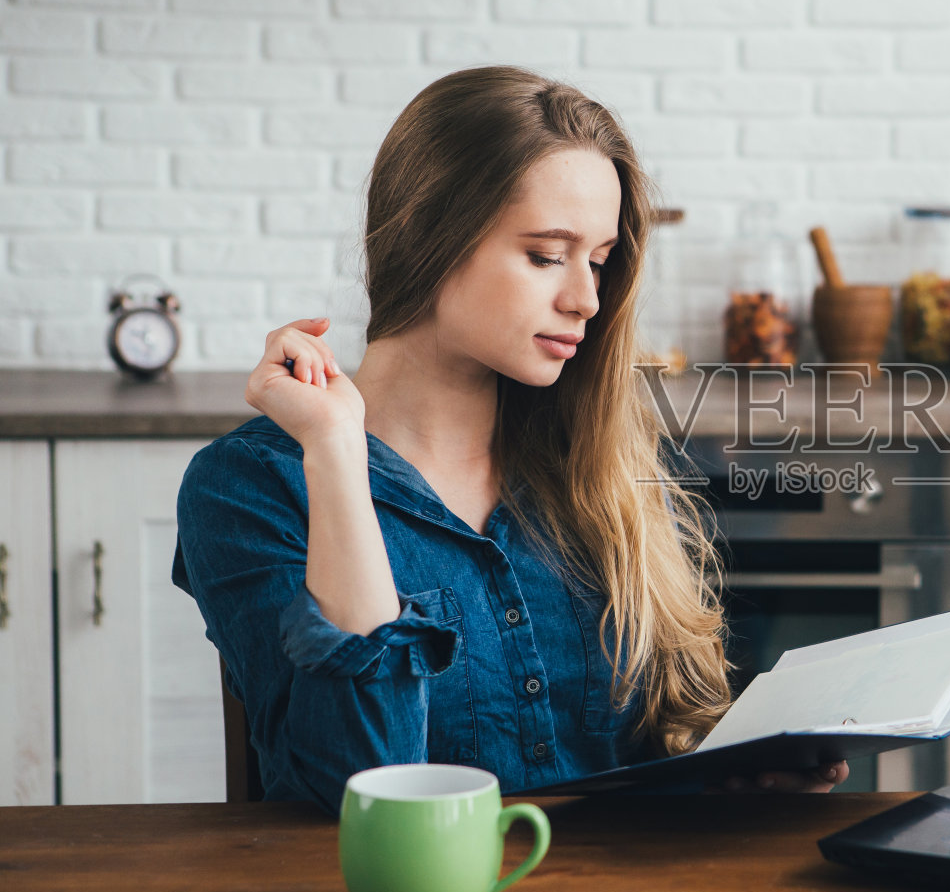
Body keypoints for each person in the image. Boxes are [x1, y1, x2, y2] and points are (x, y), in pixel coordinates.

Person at [173, 67, 845, 814]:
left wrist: (732, 772)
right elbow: (357, 790)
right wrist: (336, 451)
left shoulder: (596, 467)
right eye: (545, 255)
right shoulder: (248, 488)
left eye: (597, 260)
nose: (586, 298)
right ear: (428, 235)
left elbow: (643, 757)